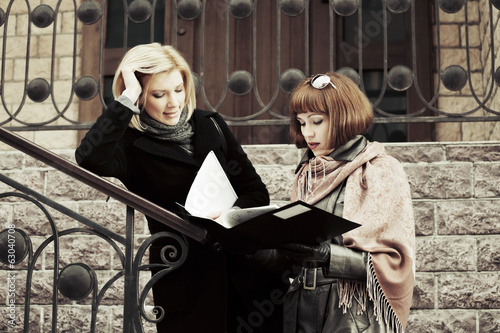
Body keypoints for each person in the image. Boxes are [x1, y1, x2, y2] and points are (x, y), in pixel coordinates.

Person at [75, 43, 285, 332]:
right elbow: (89, 157)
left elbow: (256, 192)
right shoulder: (129, 145)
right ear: (140, 96)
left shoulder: (210, 124)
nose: (173, 102)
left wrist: (230, 213)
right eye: (158, 94)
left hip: (245, 278)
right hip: (185, 279)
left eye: (178, 89)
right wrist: (127, 96)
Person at [280, 72, 415, 333]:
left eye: (316, 121)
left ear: (343, 116)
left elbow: (396, 263)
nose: (308, 132)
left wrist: (327, 255)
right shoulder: (307, 173)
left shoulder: (382, 170)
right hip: (300, 308)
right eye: (302, 123)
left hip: (351, 314)